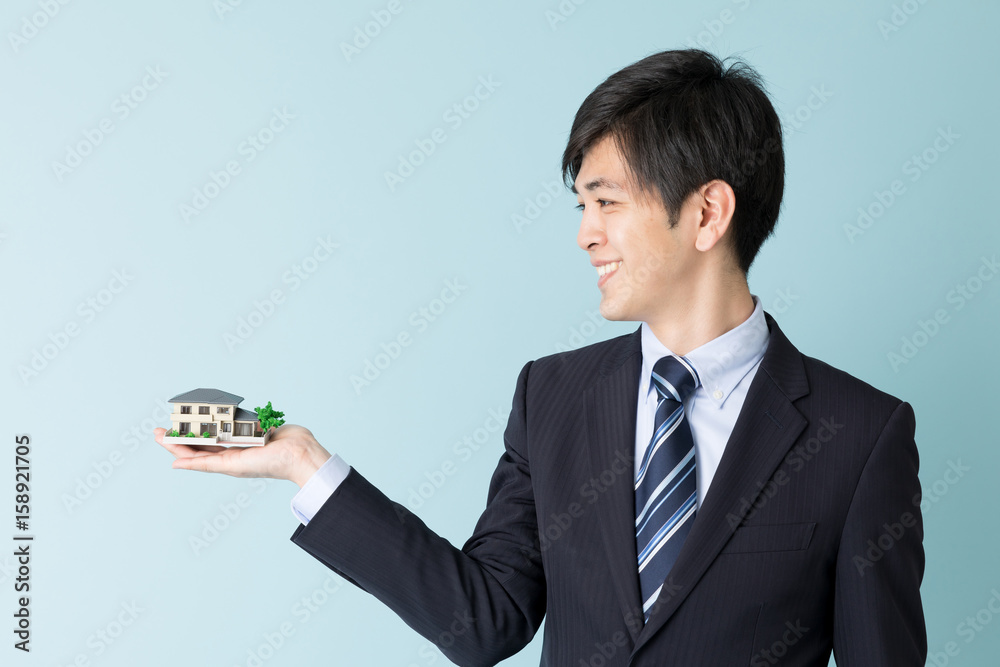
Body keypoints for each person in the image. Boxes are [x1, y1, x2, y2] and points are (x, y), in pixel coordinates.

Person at [156, 48, 926, 665]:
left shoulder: (859, 435)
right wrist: (304, 464)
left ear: (707, 211)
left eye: (608, 201)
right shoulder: (552, 395)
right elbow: (483, 621)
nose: (585, 233)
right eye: (581, 205)